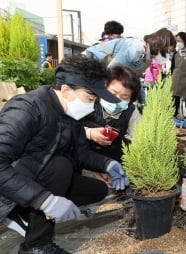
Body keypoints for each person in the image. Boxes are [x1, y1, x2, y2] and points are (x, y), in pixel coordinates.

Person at [0, 55, 130, 254]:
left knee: (96, 190)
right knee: (60, 167)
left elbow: (80, 153)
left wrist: (107, 164)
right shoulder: (26, 109)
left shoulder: (71, 113)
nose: (91, 105)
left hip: (35, 175)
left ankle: (27, 211)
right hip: (8, 185)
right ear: (67, 90)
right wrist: (44, 200)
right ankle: (36, 246)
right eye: (90, 98)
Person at [84, 64, 141, 163]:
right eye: (112, 93)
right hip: (84, 159)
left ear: (131, 99)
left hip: (114, 162)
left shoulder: (131, 112)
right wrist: (89, 133)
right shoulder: (90, 100)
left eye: (124, 97)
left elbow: (138, 138)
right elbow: (68, 126)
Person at [84, 27, 176, 76]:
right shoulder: (136, 47)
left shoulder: (147, 58)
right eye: (168, 50)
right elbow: (113, 71)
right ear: (160, 44)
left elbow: (132, 76)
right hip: (87, 65)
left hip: (98, 72)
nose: (167, 55)